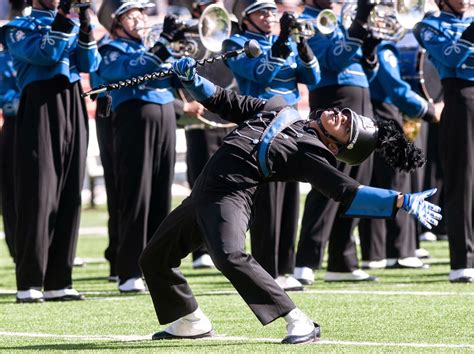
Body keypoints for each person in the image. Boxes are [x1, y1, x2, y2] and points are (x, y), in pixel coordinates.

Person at [139, 56, 442, 344]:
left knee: (229, 254)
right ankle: (191, 320)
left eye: (345, 126)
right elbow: (226, 101)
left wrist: (400, 200)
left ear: (336, 147)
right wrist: (192, 80)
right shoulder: (280, 110)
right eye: (345, 114)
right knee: (154, 259)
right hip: (202, 194)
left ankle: (299, 320)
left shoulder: (311, 152)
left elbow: (346, 190)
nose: (340, 115)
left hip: (231, 195)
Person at [0, 0, 100, 302]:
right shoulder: (17, 28)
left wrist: (85, 26)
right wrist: (64, 18)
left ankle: (60, 280)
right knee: (38, 193)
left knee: (71, 192)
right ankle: (30, 281)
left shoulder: (65, 20)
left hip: (73, 102)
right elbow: (47, 54)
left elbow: (89, 64)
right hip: (39, 104)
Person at [223, 0, 320, 291]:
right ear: (246, 16)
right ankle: (267, 269)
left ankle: (286, 268)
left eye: (272, 11)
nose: (270, 16)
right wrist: (281, 43)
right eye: (262, 12)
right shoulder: (236, 42)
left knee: (290, 199)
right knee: (266, 202)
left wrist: (303, 48)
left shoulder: (285, 40)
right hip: (262, 127)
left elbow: (312, 78)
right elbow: (260, 74)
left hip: (292, 125)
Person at [97, 0, 182, 292]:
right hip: (135, 119)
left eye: (141, 15)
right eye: (132, 16)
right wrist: (164, 43)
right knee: (136, 195)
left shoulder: (153, 46)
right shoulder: (110, 50)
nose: (140, 20)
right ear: (116, 23)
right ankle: (129, 271)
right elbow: (136, 70)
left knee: (161, 194)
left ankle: (157, 267)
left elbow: (173, 77)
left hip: (166, 116)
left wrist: (176, 48)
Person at [293, 0, 379, 284]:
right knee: (326, 182)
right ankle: (306, 260)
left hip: (359, 98)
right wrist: (359, 25)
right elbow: (332, 60)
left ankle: (342, 261)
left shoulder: (343, 16)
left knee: (357, 181)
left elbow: (363, 70)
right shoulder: (307, 20)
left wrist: (370, 53)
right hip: (333, 101)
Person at [358, 37, 442, 270]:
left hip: (366, 112)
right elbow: (395, 88)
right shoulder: (382, 47)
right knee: (398, 179)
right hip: (384, 113)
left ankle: (374, 253)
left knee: (372, 181)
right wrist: (428, 110)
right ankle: (400, 251)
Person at [169, 0, 238, 270]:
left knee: (230, 185)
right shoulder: (185, 35)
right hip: (200, 120)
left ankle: (226, 244)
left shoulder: (228, 29)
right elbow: (176, 73)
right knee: (201, 184)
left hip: (226, 116)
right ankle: (200, 249)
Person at [414, 0, 474, 283]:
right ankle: (463, 261)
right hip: (461, 99)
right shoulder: (429, 26)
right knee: (462, 181)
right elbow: (450, 58)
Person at [0, 44, 19, 261]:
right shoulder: (3, 60)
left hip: (39, 122)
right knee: (13, 194)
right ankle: (17, 248)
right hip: (14, 125)